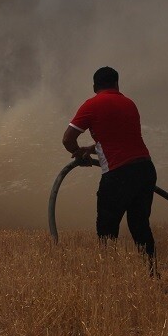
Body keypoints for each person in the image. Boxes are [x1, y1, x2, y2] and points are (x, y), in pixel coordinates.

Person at [62, 66, 158, 276]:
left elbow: (67, 139)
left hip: (119, 174)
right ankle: (153, 275)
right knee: (140, 226)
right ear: (116, 84)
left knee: (107, 229)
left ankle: (110, 279)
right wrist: (93, 149)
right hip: (145, 170)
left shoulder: (92, 104)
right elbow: (121, 138)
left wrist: (78, 153)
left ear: (95, 86)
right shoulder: (129, 104)